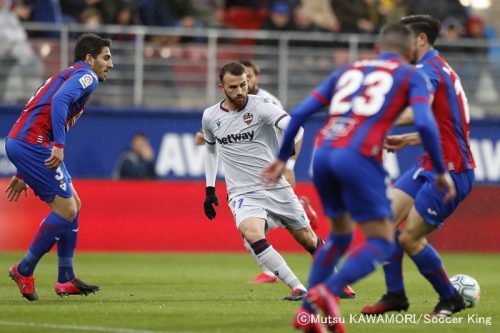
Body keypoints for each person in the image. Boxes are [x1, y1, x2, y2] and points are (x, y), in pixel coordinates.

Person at [263, 23, 455, 333]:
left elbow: (298, 114)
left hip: (322, 155)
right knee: (380, 241)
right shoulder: (411, 74)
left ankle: (307, 313)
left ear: (379, 48)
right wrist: (442, 172)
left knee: (339, 236)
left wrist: (281, 158)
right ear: (410, 53)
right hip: (359, 156)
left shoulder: (348, 71)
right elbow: (426, 122)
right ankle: (325, 292)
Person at [361, 14, 475, 318]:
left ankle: (450, 298)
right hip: (429, 163)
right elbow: (445, 123)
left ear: (420, 40)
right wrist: (408, 140)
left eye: (405, 37)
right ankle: (395, 295)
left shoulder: (427, 70)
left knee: (408, 237)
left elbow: (417, 110)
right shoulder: (439, 68)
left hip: (452, 170)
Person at [5, 33, 113, 301]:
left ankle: (65, 277)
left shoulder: (67, 73)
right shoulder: (85, 76)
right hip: (33, 144)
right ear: (90, 58)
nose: (110, 64)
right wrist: (58, 145)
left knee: (74, 204)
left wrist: (22, 170)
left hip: (24, 143)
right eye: (106, 57)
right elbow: (60, 102)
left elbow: (41, 109)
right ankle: (24, 269)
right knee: (66, 209)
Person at [202, 62, 323, 301]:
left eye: (243, 84)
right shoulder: (210, 116)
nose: (239, 91)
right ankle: (298, 287)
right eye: (233, 87)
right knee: (250, 232)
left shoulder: (263, 107)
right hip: (242, 192)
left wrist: (285, 156)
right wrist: (209, 189)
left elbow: (295, 128)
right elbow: (210, 151)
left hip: (274, 186)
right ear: (222, 87)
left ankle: (339, 282)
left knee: (307, 238)